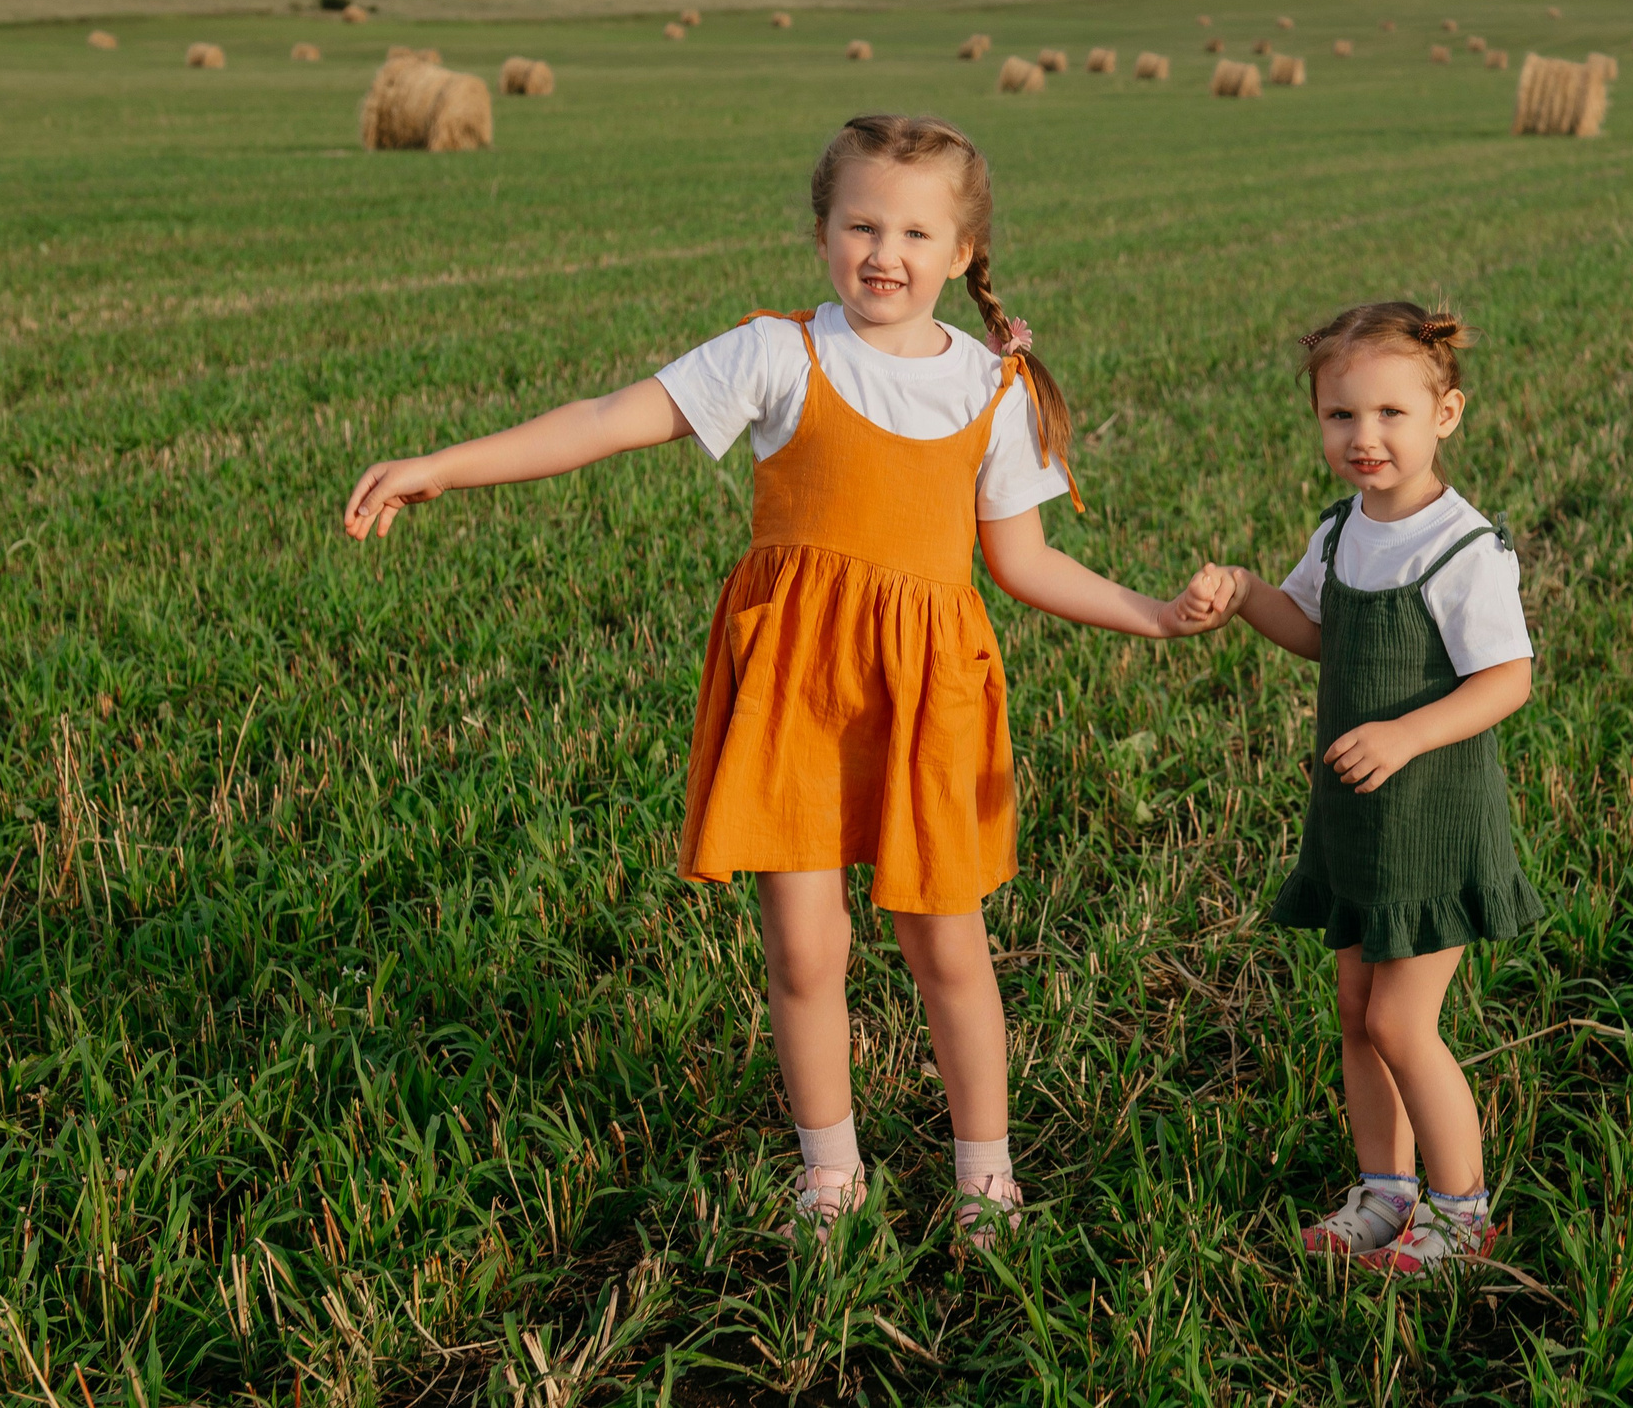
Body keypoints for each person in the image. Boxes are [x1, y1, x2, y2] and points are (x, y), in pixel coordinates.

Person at [343, 114, 1232, 1249]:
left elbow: (1022, 562)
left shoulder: (995, 388)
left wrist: (1152, 614)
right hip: (796, 688)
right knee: (804, 949)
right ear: (821, 233)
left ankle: (984, 1176)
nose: (884, 250)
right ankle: (831, 1174)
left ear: (962, 251)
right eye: (860, 222)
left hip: (927, 696)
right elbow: (609, 418)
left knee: (946, 944)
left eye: (916, 229)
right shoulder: (775, 351)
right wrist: (441, 467)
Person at [1206, 301, 1542, 1274]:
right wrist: (1244, 594)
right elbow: (1315, 628)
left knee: (1401, 1018)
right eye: (1340, 415)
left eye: (1391, 413)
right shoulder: (1343, 528)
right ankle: (1385, 1190)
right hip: (1357, 817)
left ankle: (1461, 1208)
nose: (1365, 437)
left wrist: (1405, 733)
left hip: (1431, 821)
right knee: (1355, 1008)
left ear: (1446, 413)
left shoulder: (1462, 546)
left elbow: (1506, 677)